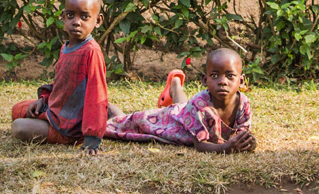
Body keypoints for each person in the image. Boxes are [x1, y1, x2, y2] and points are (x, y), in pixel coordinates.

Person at [10, 0, 110, 155]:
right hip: (56, 110)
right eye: (71, 15)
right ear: (63, 17)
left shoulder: (91, 51)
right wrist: (43, 99)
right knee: (17, 109)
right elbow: (61, 85)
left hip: (68, 126)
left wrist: (92, 137)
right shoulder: (66, 47)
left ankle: (66, 137)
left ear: (98, 21)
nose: (76, 22)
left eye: (85, 17)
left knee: (18, 127)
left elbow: (97, 94)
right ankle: (44, 113)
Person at [105, 48, 256, 153]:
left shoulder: (243, 104)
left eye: (230, 76)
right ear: (204, 79)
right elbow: (200, 145)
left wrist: (248, 143)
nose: (223, 82)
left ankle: (175, 85)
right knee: (129, 122)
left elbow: (242, 135)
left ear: (242, 81)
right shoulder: (199, 105)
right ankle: (105, 104)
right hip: (171, 122)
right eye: (215, 75)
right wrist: (226, 148)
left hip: (185, 111)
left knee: (183, 106)